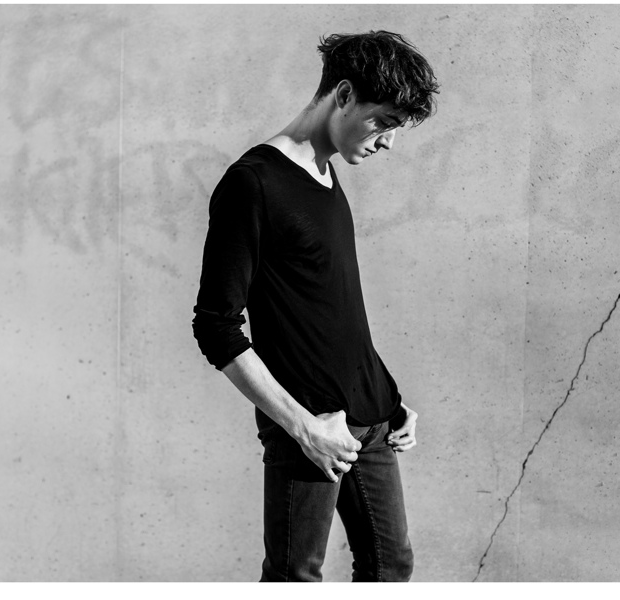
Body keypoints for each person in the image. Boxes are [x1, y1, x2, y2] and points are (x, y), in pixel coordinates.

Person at [192, 30, 439, 582]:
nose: (387, 143)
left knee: (391, 567)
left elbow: (331, 311)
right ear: (344, 94)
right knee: (296, 578)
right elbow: (215, 327)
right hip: (309, 429)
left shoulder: (326, 174)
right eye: (383, 122)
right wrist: (303, 428)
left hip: (371, 420)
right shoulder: (253, 183)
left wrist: (387, 395)